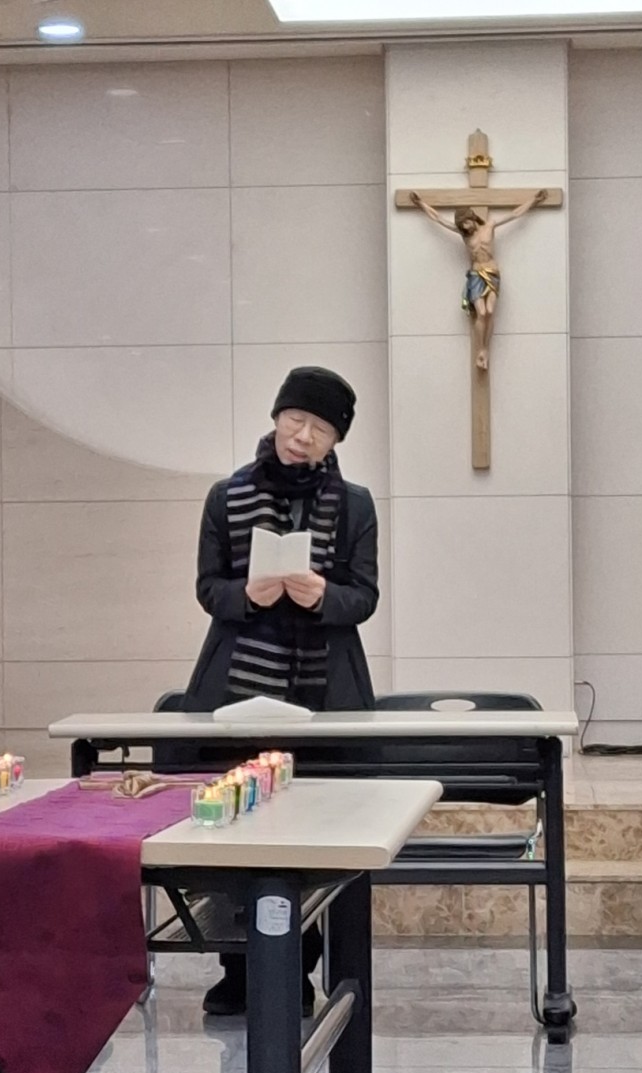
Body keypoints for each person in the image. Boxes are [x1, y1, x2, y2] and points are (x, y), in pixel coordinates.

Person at [183, 365, 379, 1017]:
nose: (303, 436)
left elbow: (364, 596)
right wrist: (246, 594)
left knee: (311, 829)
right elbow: (208, 587)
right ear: (276, 419)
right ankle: (237, 967)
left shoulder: (355, 505)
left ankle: (298, 966)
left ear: (335, 440)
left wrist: (322, 594)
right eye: (296, 419)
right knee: (235, 824)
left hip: (322, 691)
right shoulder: (226, 496)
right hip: (239, 685)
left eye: (320, 428)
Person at [409, 188, 548, 372]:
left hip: (492, 273)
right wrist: (420, 203)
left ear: (472, 217)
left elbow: (514, 214)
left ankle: (485, 349)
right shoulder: (464, 235)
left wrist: (534, 200)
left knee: (490, 311)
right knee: (481, 312)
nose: (465, 227)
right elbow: (438, 219)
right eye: (462, 225)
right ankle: (480, 350)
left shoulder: (489, 226)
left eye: (466, 222)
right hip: (476, 275)